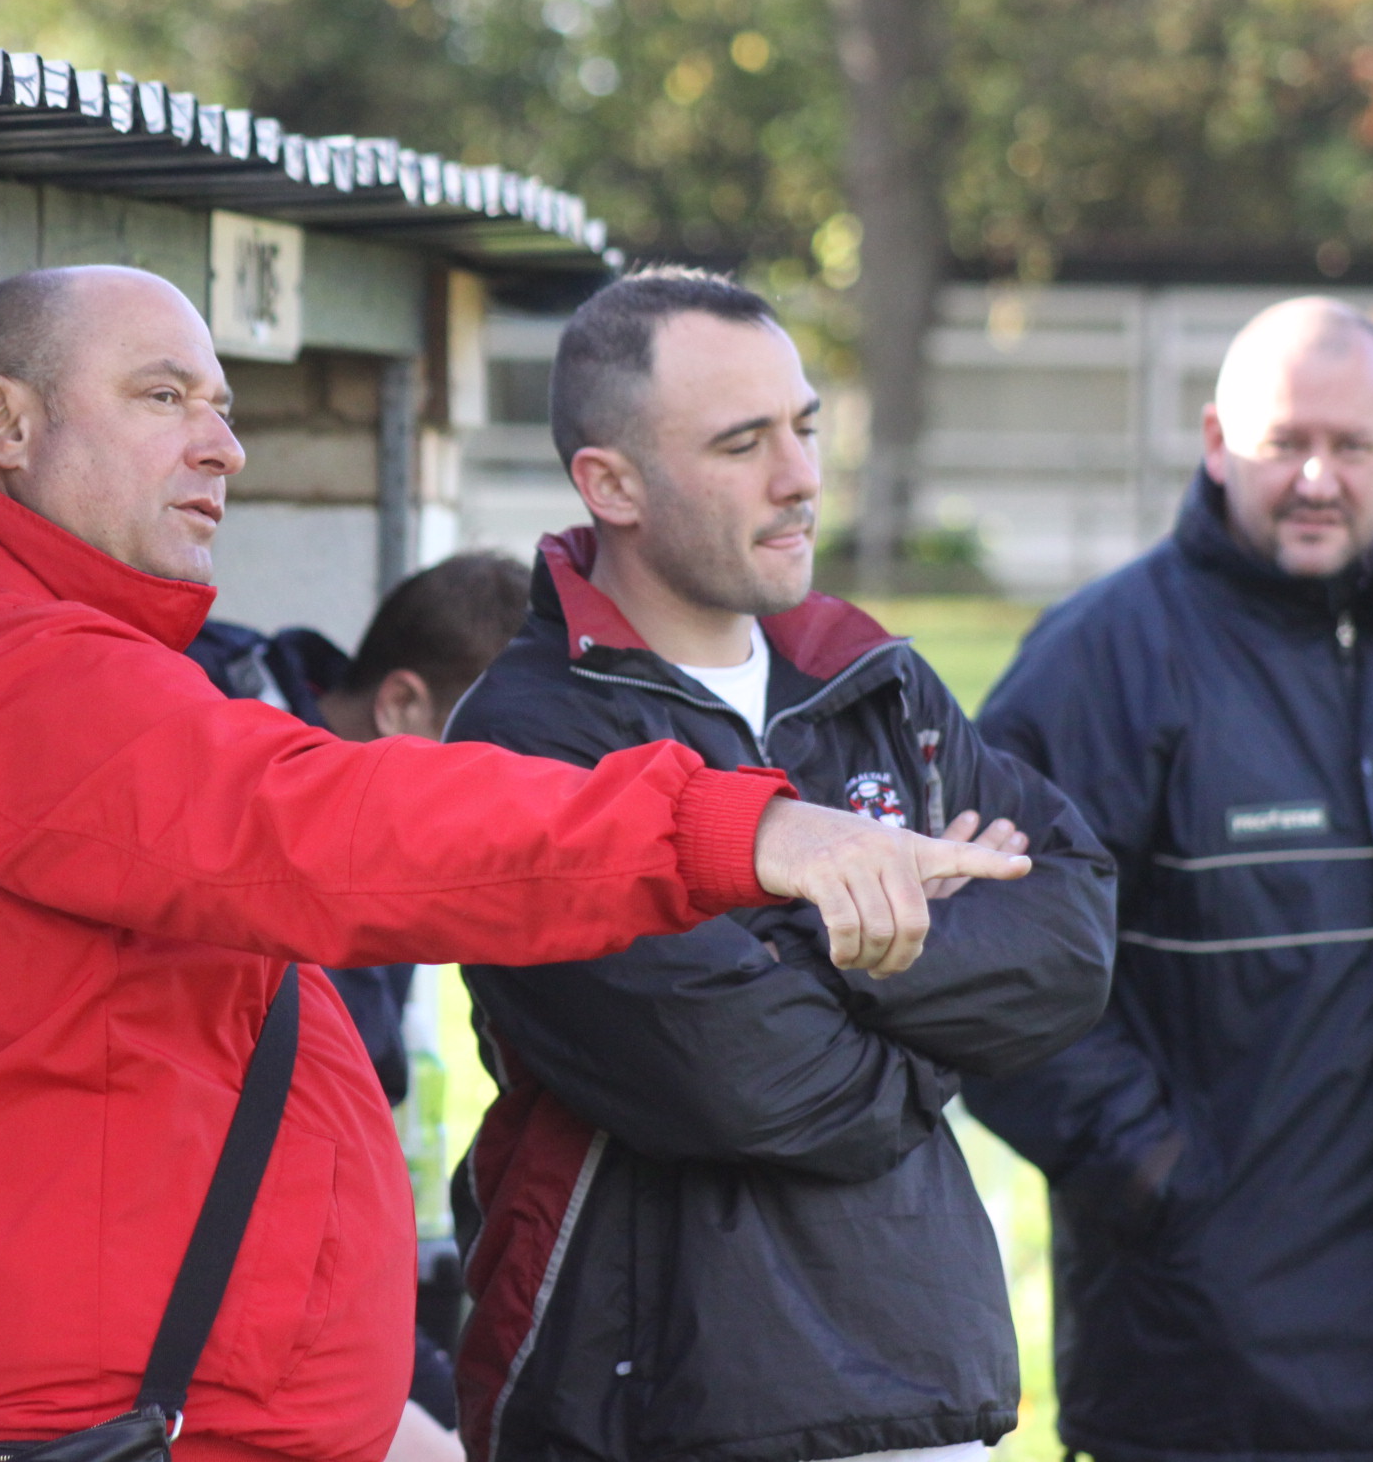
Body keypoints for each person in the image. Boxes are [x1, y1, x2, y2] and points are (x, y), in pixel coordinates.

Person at [0, 265, 1033, 1462]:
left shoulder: (21, 668)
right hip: (77, 1427)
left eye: (224, 406)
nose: (223, 445)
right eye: (165, 397)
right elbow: (336, 830)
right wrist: (737, 830)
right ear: (2, 421)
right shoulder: (9, 676)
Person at [443, 267, 1118, 1462]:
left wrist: (791, 940)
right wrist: (935, 989)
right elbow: (737, 1070)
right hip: (658, 1406)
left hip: (925, 1381)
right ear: (611, 482)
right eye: (743, 442)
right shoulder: (532, 738)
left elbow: (1071, 934)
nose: (801, 476)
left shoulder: (868, 672)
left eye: (805, 427)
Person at [964, 297, 1373, 1462]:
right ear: (1217, 441)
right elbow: (981, 958)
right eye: (1284, 442)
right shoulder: (1103, 662)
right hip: (1212, 1374)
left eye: (1352, 445)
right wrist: (1157, 1175)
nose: (1316, 476)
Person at [188, 552, 533, 1453]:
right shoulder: (258, 827)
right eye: (494, 762)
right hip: (231, 1329)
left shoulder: (373, 818)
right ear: (403, 704)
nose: (511, 811)